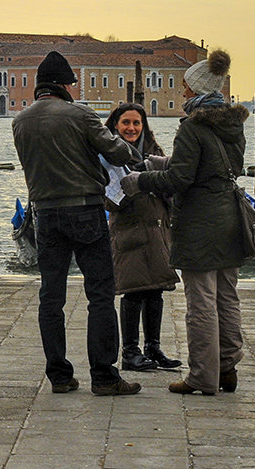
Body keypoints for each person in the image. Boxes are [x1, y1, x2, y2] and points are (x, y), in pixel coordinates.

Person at [11, 51, 141, 396]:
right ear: (65, 84)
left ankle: (59, 375)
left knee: (50, 296)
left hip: (45, 214)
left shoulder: (19, 121)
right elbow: (116, 151)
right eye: (72, 82)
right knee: (99, 293)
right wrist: (134, 154)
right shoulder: (79, 113)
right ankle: (104, 375)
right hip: (84, 210)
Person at [123, 49, 247, 395]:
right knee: (227, 296)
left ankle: (202, 376)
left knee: (202, 301)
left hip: (200, 223)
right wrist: (161, 162)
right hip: (230, 217)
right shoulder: (233, 125)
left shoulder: (193, 126)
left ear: (199, 90)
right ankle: (227, 368)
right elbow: (209, 167)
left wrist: (140, 181)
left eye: (187, 88)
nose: (182, 93)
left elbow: (181, 181)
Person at [101, 104, 181, 372]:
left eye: (137, 123)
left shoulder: (154, 153)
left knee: (156, 289)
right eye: (126, 123)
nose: (132, 128)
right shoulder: (108, 156)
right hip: (128, 229)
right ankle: (130, 352)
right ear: (115, 126)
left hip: (157, 228)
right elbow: (107, 196)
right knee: (134, 291)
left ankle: (154, 348)